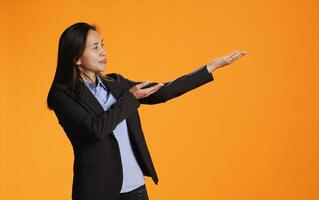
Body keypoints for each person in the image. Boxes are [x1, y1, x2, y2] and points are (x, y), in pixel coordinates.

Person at [46, 22, 246, 200]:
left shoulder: (115, 83)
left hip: (135, 186)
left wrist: (210, 68)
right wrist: (130, 98)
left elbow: (163, 92)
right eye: (95, 47)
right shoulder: (62, 95)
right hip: (96, 190)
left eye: (103, 45)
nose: (103, 52)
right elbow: (95, 129)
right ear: (76, 58)